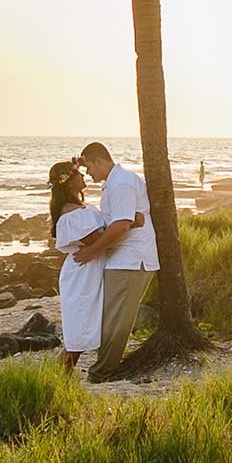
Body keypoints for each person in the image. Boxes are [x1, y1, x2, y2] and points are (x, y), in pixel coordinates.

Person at [73, 141, 158, 380]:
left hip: (131, 259)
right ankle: (104, 368)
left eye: (89, 167)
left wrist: (93, 251)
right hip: (122, 258)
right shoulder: (114, 183)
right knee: (110, 315)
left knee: (117, 319)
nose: (88, 174)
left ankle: (102, 372)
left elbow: (120, 225)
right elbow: (126, 220)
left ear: (99, 160)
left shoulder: (121, 183)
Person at [48, 159, 104, 371]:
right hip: (82, 274)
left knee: (84, 331)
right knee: (78, 336)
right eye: (78, 174)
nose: (83, 176)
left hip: (90, 269)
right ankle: (56, 380)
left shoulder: (79, 208)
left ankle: (62, 379)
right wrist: (128, 224)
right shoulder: (70, 213)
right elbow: (95, 239)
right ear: (68, 181)